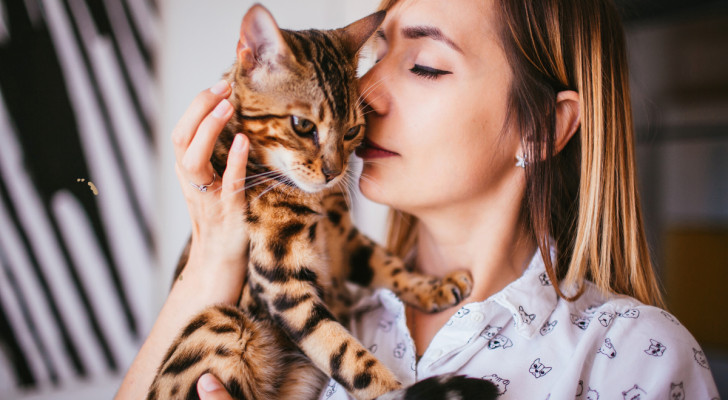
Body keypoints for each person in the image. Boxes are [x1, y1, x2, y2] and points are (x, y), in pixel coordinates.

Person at [117, 0, 720, 398]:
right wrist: (210, 257)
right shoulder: (332, 315)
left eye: (426, 66)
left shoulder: (635, 357)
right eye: (377, 55)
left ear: (542, 128)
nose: (365, 92)